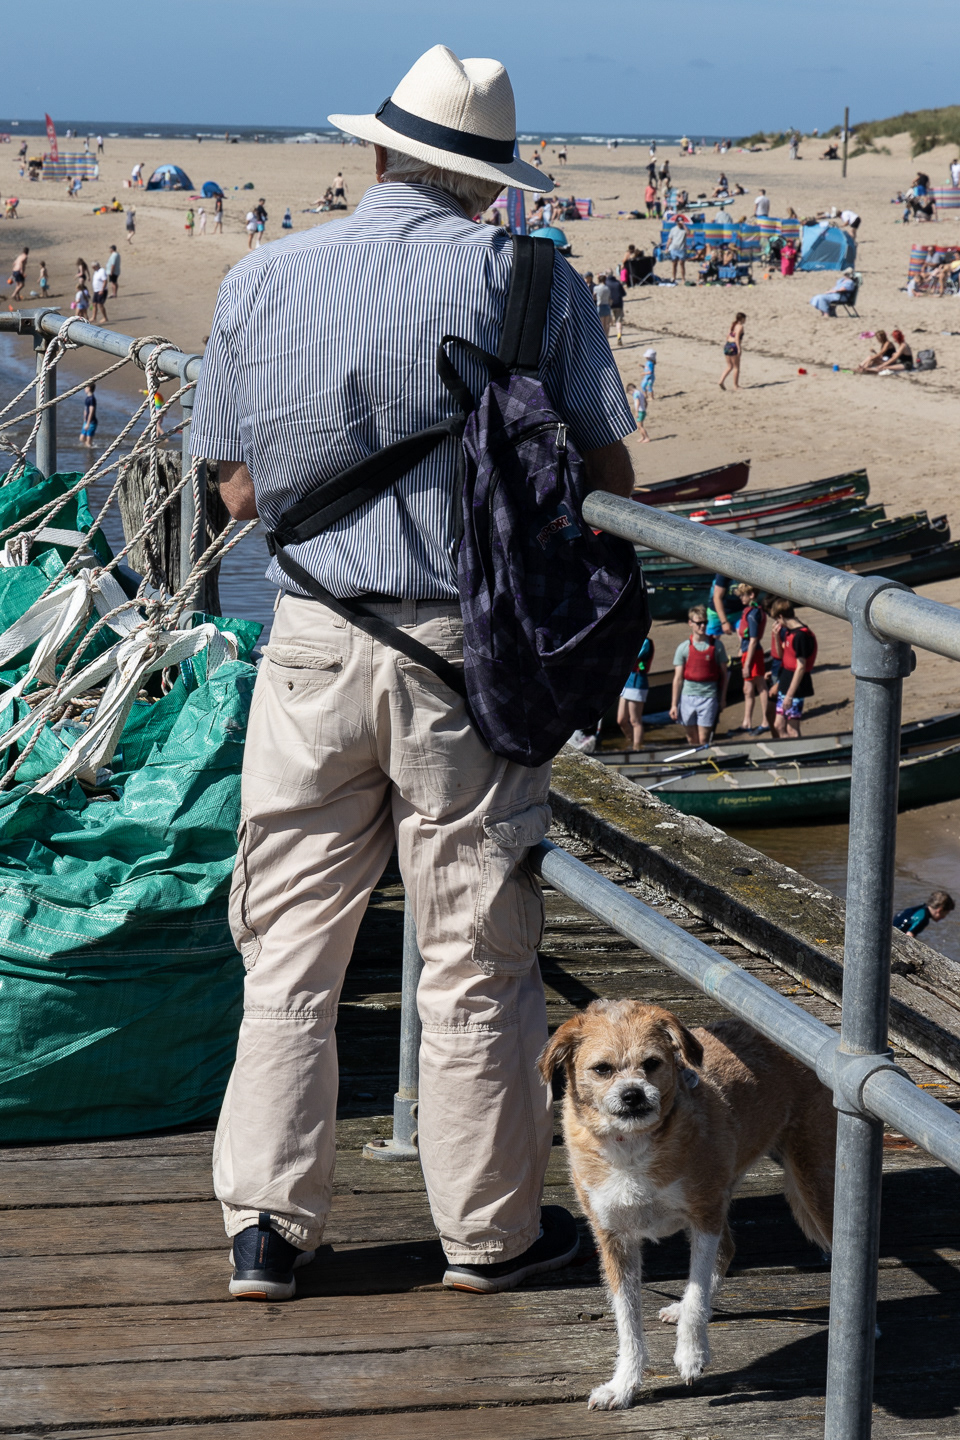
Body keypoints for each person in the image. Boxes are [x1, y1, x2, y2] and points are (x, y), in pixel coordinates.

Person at [188, 42, 637, 1303]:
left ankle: (267, 1230)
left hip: (315, 643)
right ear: (493, 182)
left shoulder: (264, 274)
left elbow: (232, 489)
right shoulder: (539, 288)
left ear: (376, 154)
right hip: (467, 655)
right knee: (474, 954)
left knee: (286, 944)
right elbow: (610, 485)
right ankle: (488, 1235)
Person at [670, 605, 729, 744]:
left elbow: (725, 675)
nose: (702, 626)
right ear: (690, 623)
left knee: (704, 739)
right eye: (699, 623)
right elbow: (678, 679)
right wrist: (674, 704)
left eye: (705, 623)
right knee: (691, 738)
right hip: (687, 698)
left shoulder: (717, 646)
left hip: (709, 697)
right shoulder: (683, 647)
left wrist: (723, 698)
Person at [770, 599, 816, 737]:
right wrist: (776, 635)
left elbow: (801, 667)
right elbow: (782, 655)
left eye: (777, 620)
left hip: (795, 686)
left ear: (780, 617)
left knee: (792, 728)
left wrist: (789, 695)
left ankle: (797, 756)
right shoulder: (788, 632)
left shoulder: (801, 635)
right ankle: (788, 752)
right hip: (785, 680)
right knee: (778, 725)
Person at [732, 583, 767, 732]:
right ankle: (747, 722)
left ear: (751, 595)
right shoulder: (750, 612)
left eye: (743, 595)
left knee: (760, 685)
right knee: (747, 688)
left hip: (753, 654)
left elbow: (753, 640)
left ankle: (766, 721)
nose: (741, 598)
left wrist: (746, 665)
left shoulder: (753, 614)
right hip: (747, 653)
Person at [618, 636, 655, 750]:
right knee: (621, 720)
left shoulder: (646, 642)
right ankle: (631, 742)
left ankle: (636, 749)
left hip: (637, 683)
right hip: (627, 683)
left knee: (635, 720)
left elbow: (632, 656)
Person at [719, 311, 745, 390]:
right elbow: (737, 338)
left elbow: (728, 336)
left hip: (728, 345)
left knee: (729, 366)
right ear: (742, 319)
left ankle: (721, 381)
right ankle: (735, 385)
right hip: (734, 346)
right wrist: (739, 349)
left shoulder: (733, 325)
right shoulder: (740, 327)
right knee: (736, 367)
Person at [605, 268, 625, 346]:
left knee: (607, 322)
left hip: (608, 304)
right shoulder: (617, 283)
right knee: (618, 321)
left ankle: (606, 339)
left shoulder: (606, 284)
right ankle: (619, 336)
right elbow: (623, 294)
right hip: (618, 303)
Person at [79, 383, 97, 447]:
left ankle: (90, 454)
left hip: (92, 422)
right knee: (81, 438)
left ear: (89, 388)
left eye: (85, 387)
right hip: (86, 421)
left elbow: (91, 411)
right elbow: (86, 410)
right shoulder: (87, 398)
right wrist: (84, 420)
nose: (84, 389)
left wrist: (88, 423)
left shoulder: (92, 399)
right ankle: (88, 447)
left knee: (88, 442)